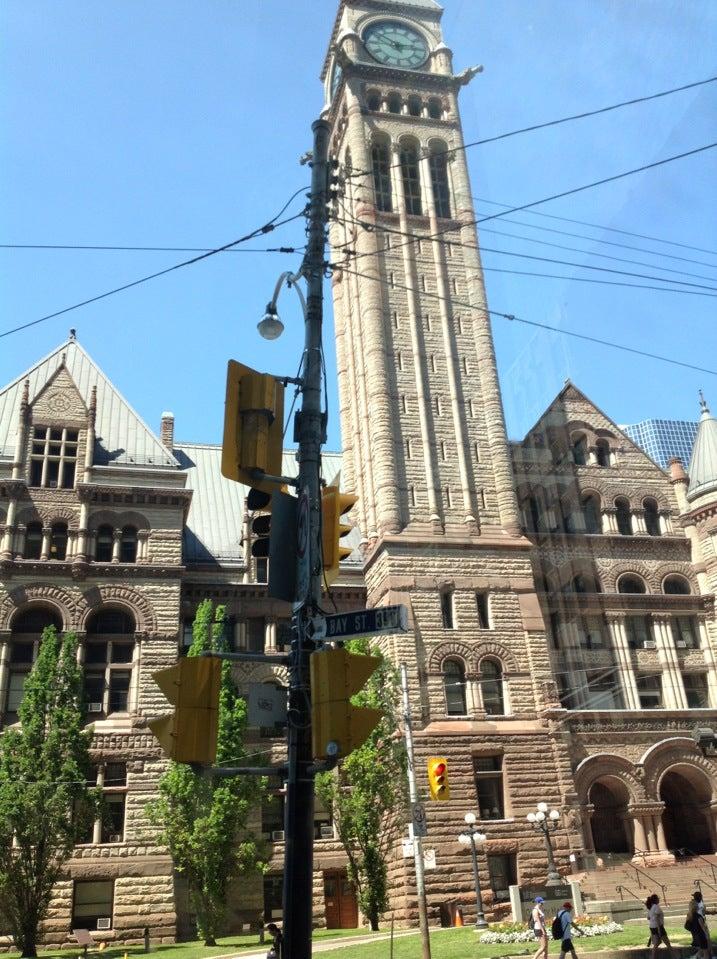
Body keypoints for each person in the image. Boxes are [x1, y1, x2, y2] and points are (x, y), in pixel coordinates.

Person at [647, 894, 674, 959]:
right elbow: (656, 918)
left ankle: (653, 957)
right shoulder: (656, 907)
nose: (659, 899)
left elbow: (648, 917)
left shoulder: (651, 907)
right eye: (658, 898)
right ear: (656, 900)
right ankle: (674, 957)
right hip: (658, 927)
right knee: (668, 943)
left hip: (652, 927)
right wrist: (659, 930)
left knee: (657, 943)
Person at [687, 892, 710, 959]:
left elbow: (687, 926)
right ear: (696, 907)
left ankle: (696, 956)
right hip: (701, 936)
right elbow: (703, 927)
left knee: (701, 951)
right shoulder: (698, 916)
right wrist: (707, 936)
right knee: (706, 954)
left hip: (696, 935)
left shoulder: (690, 916)